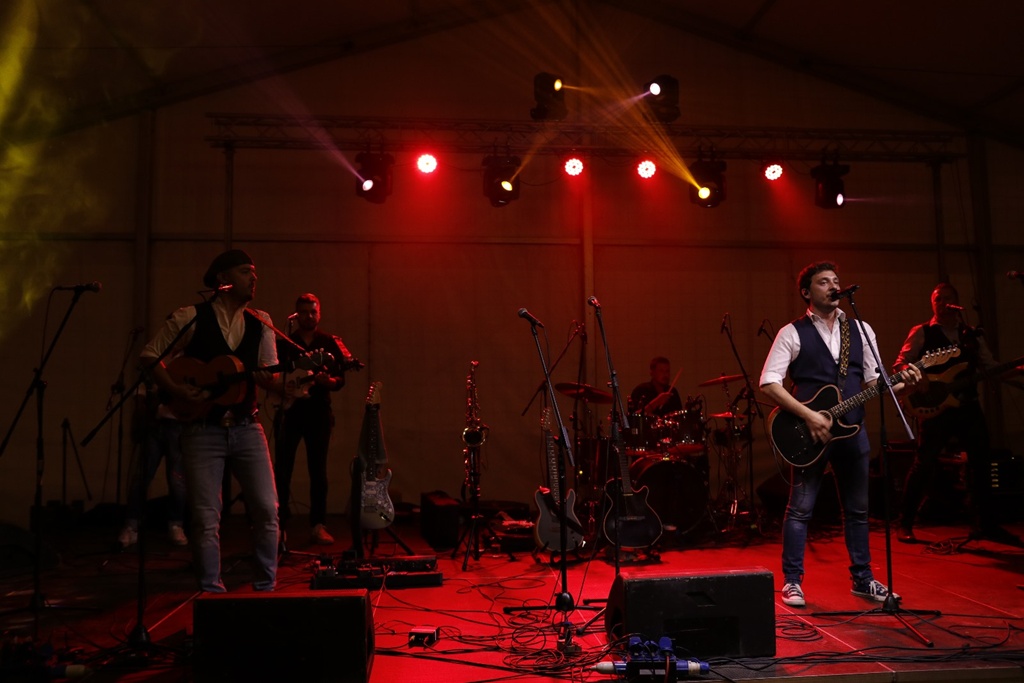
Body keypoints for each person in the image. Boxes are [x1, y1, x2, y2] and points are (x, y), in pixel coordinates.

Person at [759, 261, 921, 607]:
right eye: (823, 282)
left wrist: (905, 385)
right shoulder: (792, 332)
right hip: (809, 433)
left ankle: (863, 579)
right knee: (800, 509)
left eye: (836, 280)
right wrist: (809, 416)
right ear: (807, 292)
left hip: (853, 430)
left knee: (858, 510)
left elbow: (875, 383)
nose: (833, 286)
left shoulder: (860, 329)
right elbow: (769, 383)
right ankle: (792, 581)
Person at [140, 249, 281, 593]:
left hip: (247, 426)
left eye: (254, 272)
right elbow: (150, 355)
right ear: (223, 279)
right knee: (205, 517)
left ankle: (267, 587)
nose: (254, 278)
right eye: (246, 271)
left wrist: (281, 378)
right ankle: (210, 591)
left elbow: (271, 376)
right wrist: (177, 389)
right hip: (202, 429)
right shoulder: (190, 317)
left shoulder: (261, 321)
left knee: (267, 509)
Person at [893, 282, 1022, 546]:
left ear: (956, 302)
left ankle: (985, 524)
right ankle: (904, 523)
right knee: (924, 463)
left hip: (968, 406)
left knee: (981, 464)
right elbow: (900, 364)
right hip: (935, 407)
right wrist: (918, 376)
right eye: (937, 299)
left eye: (947, 298)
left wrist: (1017, 371)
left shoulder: (971, 335)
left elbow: (991, 367)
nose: (942, 303)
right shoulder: (922, 332)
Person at [273, 293, 349, 546]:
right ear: (296, 315)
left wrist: (330, 381)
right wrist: (281, 387)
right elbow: (273, 375)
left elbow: (340, 379)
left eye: (313, 311)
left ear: (319, 314)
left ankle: (318, 525)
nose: (309, 316)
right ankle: (279, 526)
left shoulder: (329, 343)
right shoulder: (285, 343)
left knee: (318, 470)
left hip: (318, 412)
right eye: (304, 312)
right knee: (282, 470)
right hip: (290, 412)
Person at [117, 372, 188, 549]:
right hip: (154, 424)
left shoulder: (183, 362)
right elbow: (141, 390)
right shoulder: (154, 364)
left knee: (177, 480)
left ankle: (176, 524)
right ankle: (131, 526)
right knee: (141, 477)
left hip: (178, 424)